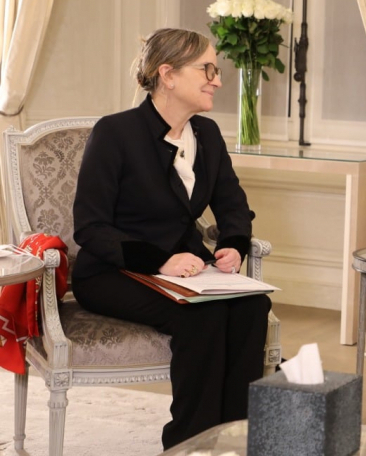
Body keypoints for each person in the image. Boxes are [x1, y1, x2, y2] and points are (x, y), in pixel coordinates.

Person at [71, 28, 271, 449]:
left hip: (187, 272)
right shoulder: (115, 133)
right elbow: (90, 227)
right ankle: (189, 444)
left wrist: (233, 243)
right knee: (202, 317)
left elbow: (233, 205)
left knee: (252, 306)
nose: (217, 80)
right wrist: (161, 261)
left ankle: (235, 438)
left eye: (216, 70)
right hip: (112, 272)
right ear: (168, 75)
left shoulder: (208, 135)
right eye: (207, 69)